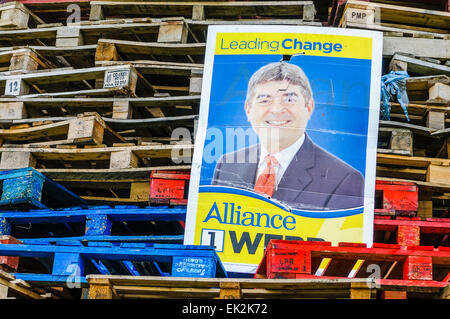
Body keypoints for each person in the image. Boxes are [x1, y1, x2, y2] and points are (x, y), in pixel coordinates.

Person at [211, 61, 364, 211]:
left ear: (309, 107)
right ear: (248, 110)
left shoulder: (344, 179)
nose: (277, 110)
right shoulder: (226, 164)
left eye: (289, 99)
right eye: (265, 100)